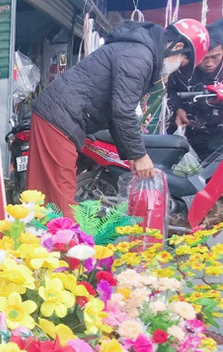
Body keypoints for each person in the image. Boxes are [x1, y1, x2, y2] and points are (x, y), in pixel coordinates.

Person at [26, 19, 209, 218]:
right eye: (183, 60)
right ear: (178, 46)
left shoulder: (139, 50)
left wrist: (131, 153)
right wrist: (139, 155)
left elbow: (115, 109)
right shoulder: (140, 56)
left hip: (59, 116)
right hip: (60, 118)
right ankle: (64, 246)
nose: (180, 66)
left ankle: (37, 241)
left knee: (43, 197)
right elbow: (123, 110)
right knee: (60, 197)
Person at [167, 26, 223, 160]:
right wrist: (178, 108)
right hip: (186, 134)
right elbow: (170, 91)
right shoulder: (182, 68)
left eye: (216, 57)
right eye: (204, 58)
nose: (209, 63)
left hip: (218, 137)